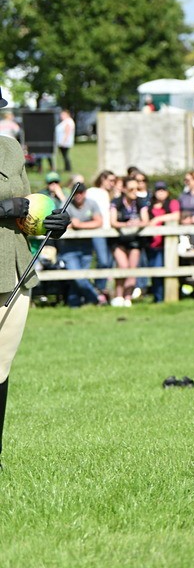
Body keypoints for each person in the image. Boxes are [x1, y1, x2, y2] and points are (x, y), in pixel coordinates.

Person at [0, 112, 69, 467]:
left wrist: (52, 224)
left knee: (0, 368)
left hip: (11, 273)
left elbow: (26, 215)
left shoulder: (11, 150)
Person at [110, 182, 149, 305]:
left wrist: (137, 223)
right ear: (124, 189)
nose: (134, 191)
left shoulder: (140, 202)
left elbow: (145, 220)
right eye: (131, 189)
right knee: (123, 266)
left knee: (132, 269)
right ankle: (118, 296)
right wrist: (126, 224)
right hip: (119, 239)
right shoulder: (116, 202)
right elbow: (113, 222)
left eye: (137, 189)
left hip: (135, 240)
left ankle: (128, 298)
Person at [144, 182, 181, 303]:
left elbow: (176, 216)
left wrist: (157, 219)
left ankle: (161, 298)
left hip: (165, 245)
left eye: (163, 190)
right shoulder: (149, 205)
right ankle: (156, 296)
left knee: (160, 269)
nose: (161, 193)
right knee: (153, 271)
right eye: (158, 190)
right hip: (150, 243)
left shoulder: (172, 203)